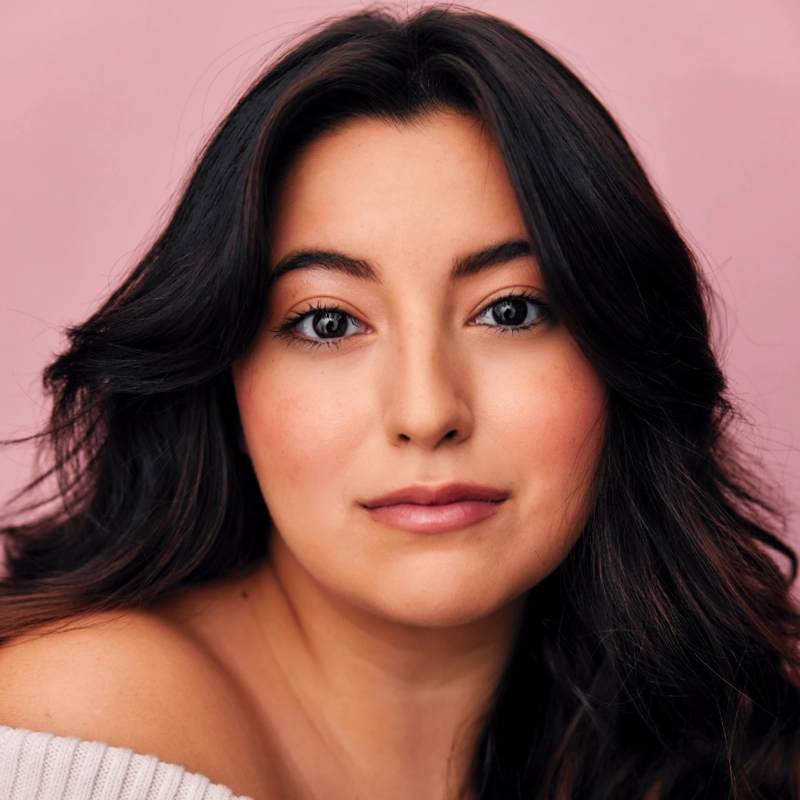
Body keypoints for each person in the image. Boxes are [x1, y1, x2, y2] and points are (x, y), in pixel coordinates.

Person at [0, 6, 798, 799]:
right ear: (225, 383)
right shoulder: (82, 728)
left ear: (621, 356)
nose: (426, 411)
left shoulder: (730, 740)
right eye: (328, 322)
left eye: (510, 311)